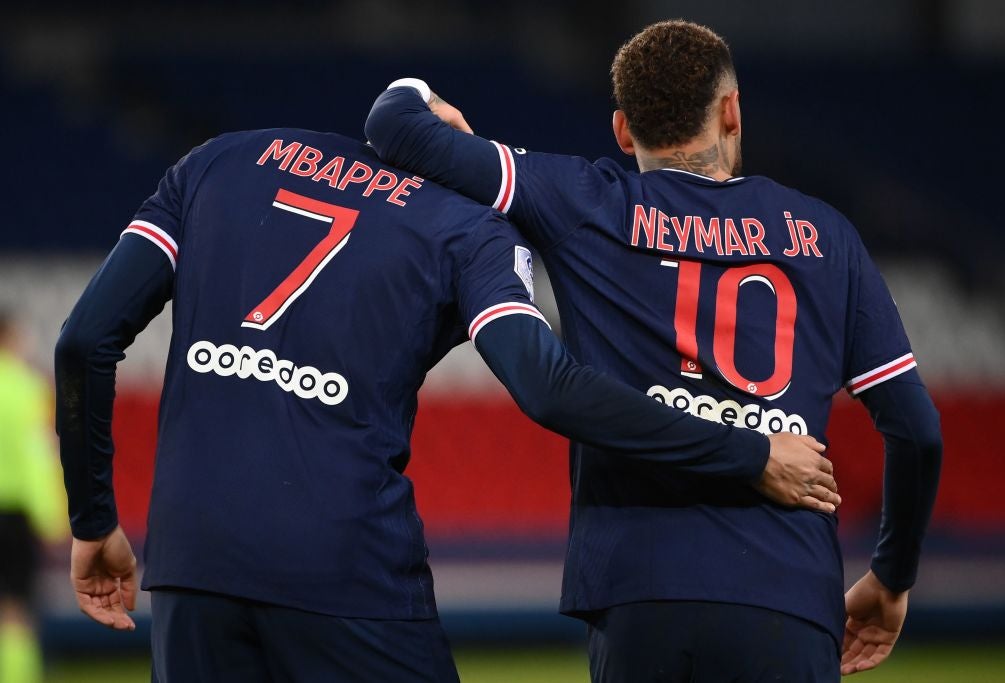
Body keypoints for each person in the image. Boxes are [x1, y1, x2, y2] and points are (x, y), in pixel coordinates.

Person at [54, 125, 839, 682]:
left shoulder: (220, 162)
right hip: (347, 570)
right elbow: (548, 385)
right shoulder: (469, 229)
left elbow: (84, 341)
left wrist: (93, 520)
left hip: (192, 563)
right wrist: (750, 451)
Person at [365, 19, 943, 682]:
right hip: (787, 591)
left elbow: (394, 123)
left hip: (638, 589)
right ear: (731, 110)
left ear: (621, 129)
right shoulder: (826, 235)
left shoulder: (583, 200)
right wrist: (891, 578)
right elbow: (917, 430)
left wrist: (427, 99)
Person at [0, 311, 67, 683]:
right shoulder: (26, 387)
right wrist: (52, 516)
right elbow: (36, 455)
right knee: (14, 610)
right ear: (9, 337)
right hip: (13, 514)